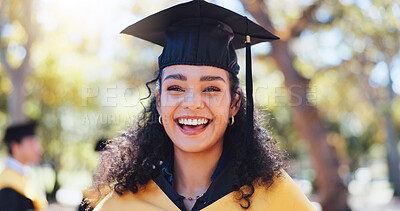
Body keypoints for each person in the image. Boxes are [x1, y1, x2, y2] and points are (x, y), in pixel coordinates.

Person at [91, 0, 316, 210]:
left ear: (234, 104)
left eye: (211, 89)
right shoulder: (123, 203)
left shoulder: (278, 199)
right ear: (159, 102)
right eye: (176, 88)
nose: (193, 103)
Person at [0, 121, 48, 211]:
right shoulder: (7, 187)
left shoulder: (25, 177)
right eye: (32, 144)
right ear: (15, 147)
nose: (38, 149)